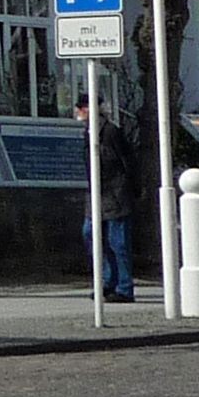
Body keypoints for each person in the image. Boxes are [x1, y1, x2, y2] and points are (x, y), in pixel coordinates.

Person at [77, 93, 136, 302]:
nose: (78, 112)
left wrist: (130, 188)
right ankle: (107, 281)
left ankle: (124, 287)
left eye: (81, 107)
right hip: (96, 191)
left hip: (115, 192)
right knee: (91, 234)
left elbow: (127, 161)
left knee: (117, 241)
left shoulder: (110, 131)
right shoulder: (88, 132)